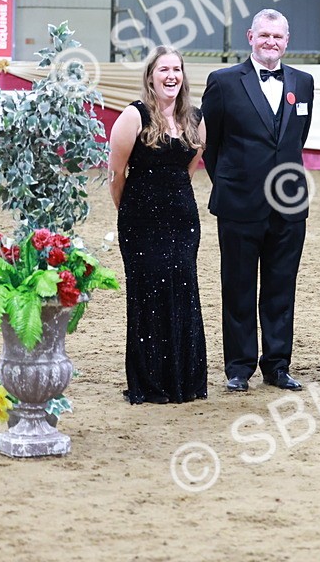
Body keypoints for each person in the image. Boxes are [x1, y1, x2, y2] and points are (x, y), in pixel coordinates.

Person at [202, 8, 315, 393]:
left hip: (289, 204)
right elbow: (210, 146)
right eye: (264, 35)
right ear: (250, 36)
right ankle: (238, 366)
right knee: (237, 286)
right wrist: (234, 183)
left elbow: (295, 140)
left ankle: (277, 365)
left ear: (287, 41)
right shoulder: (223, 82)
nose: (271, 42)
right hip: (238, 203)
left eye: (278, 37)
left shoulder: (304, 82)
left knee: (281, 287)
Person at [108, 46, 208, 404]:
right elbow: (116, 174)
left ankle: (184, 381)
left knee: (182, 293)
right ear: (150, 75)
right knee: (147, 295)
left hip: (182, 220)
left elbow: (190, 168)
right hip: (140, 222)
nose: (171, 76)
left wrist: (172, 202)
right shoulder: (133, 116)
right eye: (164, 69)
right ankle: (150, 384)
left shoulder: (195, 118)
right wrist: (131, 212)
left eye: (177, 70)